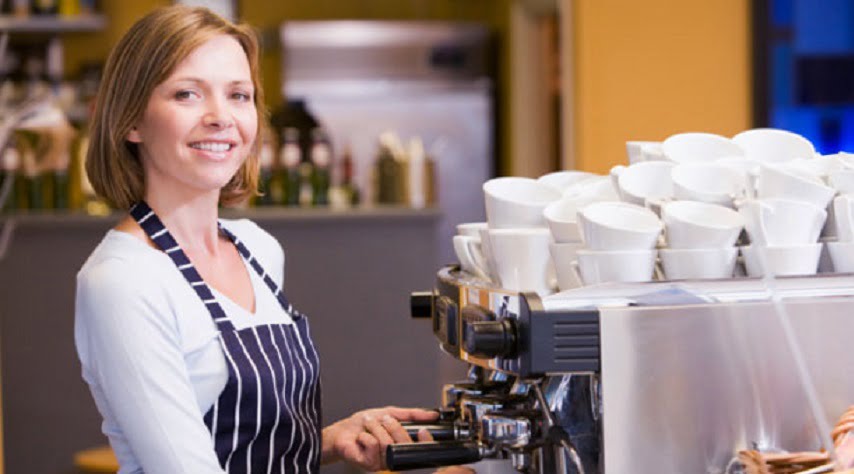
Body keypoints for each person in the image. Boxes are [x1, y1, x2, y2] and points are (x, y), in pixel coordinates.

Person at [74, 6, 475, 473]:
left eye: (238, 95)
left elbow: (245, 447)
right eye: (187, 94)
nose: (220, 117)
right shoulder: (123, 281)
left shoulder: (256, 248)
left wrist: (327, 440)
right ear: (132, 121)